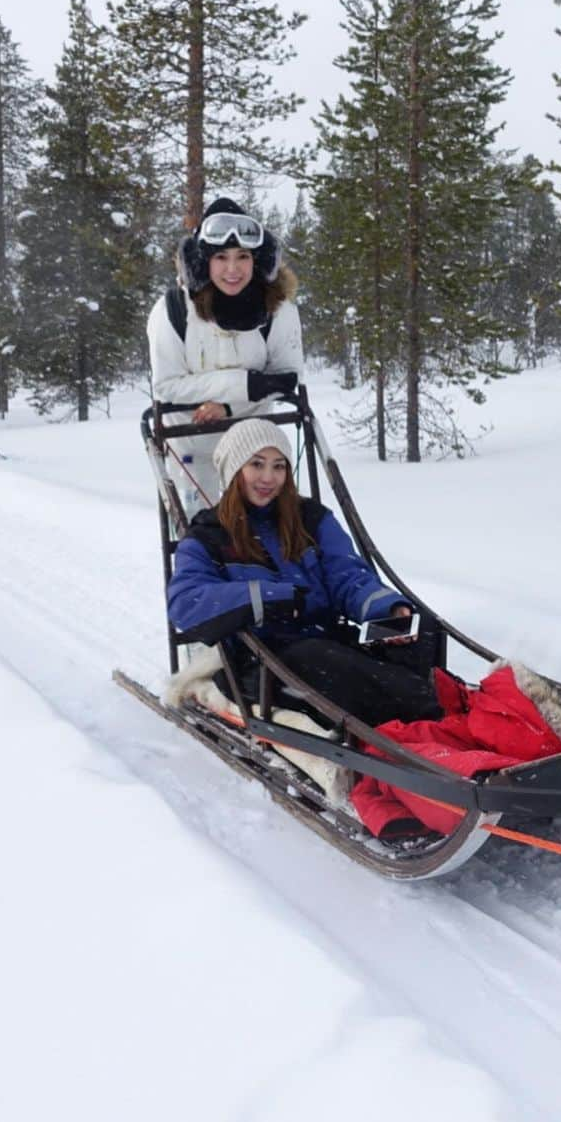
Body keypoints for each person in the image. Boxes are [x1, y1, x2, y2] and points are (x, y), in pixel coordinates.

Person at [164, 418, 443, 731]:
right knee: (325, 662)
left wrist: (389, 609)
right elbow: (185, 604)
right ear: (234, 469)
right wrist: (271, 597)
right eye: (256, 464)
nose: (269, 477)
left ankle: (418, 707)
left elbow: (348, 576)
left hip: (330, 638)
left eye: (279, 466)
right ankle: (421, 715)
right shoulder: (209, 535)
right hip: (263, 661)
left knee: (423, 629)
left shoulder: (311, 519)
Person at [147, 196, 303, 511]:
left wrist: (229, 406)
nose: (232, 270)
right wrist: (246, 383)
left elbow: (286, 379)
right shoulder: (173, 311)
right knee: (199, 531)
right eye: (220, 257)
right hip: (188, 437)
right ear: (202, 261)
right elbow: (167, 386)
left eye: (242, 256)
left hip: (253, 439)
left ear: (257, 261)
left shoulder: (279, 310)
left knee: (263, 527)